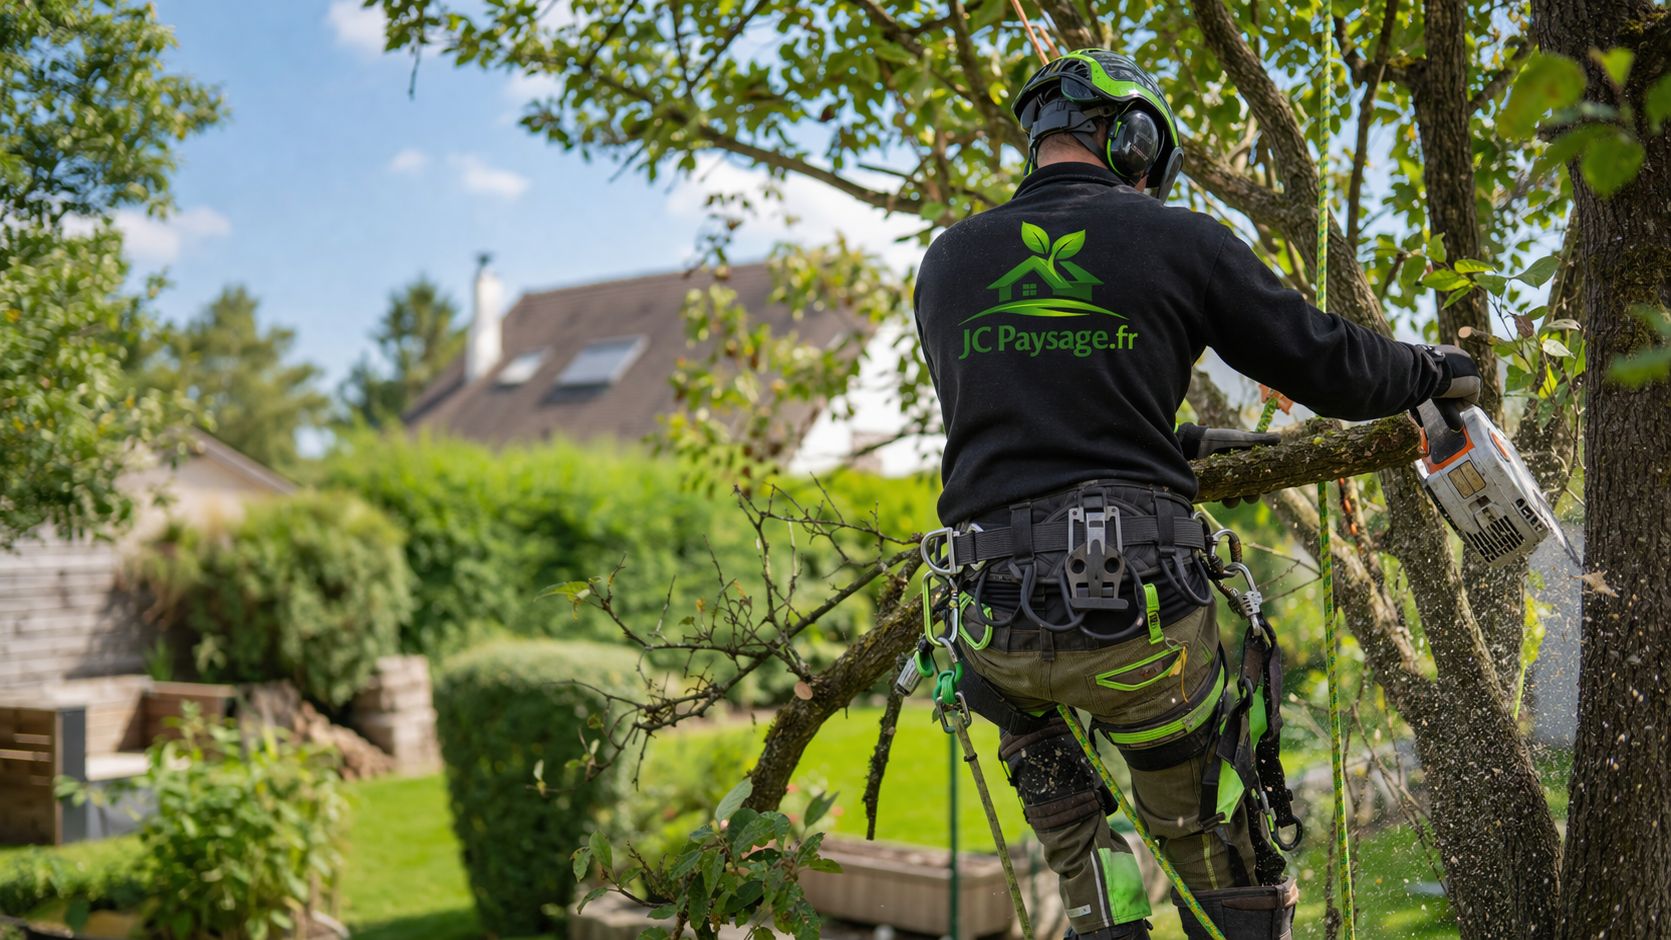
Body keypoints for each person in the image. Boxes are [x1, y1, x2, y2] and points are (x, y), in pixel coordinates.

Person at [910, 50, 1481, 940]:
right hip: (1132, 623)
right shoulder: (1175, 238)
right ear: (1132, 138)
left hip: (993, 628)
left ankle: (1091, 882)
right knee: (1208, 832)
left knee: (1071, 821)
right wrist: (1431, 369)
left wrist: (1164, 444)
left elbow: (1024, 416)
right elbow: (1326, 363)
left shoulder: (946, 262)